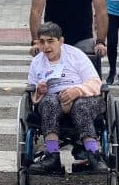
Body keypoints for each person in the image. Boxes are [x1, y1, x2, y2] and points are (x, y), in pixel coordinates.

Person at [25, 21, 109, 175]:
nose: (46, 47)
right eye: (42, 42)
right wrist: (39, 90)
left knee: (80, 106)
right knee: (49, 102)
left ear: (61, 41)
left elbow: (95, 83)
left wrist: (76, 91)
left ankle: (93, 155)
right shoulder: (37, 62)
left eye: (51, 41)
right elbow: (31, 94)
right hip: (53, 99)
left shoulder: (75, 55)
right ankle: (52, 155)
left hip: (82, 96)